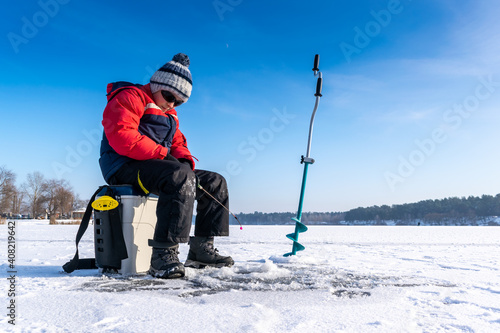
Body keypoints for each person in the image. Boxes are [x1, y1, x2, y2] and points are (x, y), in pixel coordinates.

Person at [98, 53, 233, 279]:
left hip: (156, 167)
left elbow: (178, 142)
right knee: (179, 177)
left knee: (214, 182)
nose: (172, 103)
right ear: (157, 84)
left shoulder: (170, 114)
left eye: (178, 101)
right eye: (169, 95)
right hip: (124, 166)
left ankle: (201, 249)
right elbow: (123, 136)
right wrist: (163, 155)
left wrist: (185, 162)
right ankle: (162, 255)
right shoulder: (131, 97)